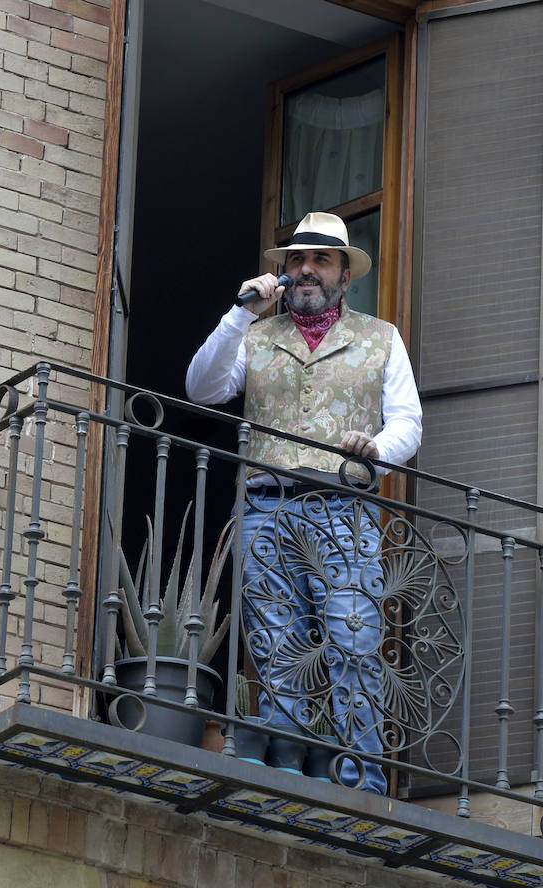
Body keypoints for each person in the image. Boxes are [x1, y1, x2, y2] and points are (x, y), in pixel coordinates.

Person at [185, 212, 422, 794]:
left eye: (320, 260)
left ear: (345, 274)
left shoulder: (381, 337)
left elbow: (409, 423)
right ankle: (289, 774)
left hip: (343, 507)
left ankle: (361, 781)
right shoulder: (256, 334)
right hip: (267, 507)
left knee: (353, 638)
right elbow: (202, 387)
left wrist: (376, 451)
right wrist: (240, 312)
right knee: (275, 645)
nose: (306, 270)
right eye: (296, 260)